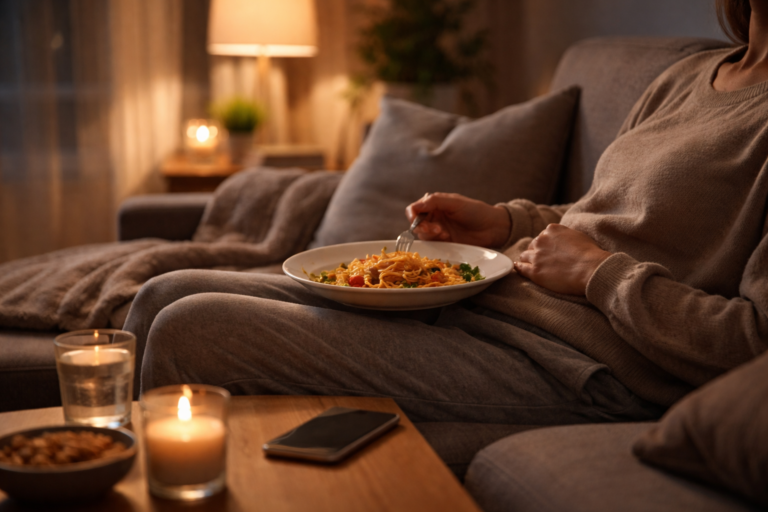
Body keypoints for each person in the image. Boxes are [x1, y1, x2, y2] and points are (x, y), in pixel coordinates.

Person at [125, 0, 767, 426]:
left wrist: (601, 276)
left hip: (582, 364)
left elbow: (753, 343)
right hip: (487, 300)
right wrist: (504, 224)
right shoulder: (687, 77)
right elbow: (603, 211)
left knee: (190, 326)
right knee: (162, 292)